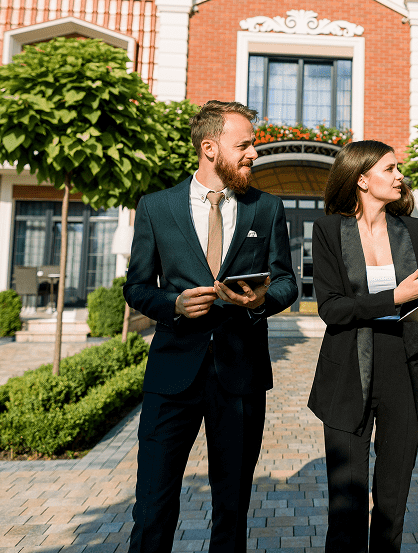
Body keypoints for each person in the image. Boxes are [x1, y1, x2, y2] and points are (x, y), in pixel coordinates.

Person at [123, 100, 298, 553]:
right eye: (244, 145)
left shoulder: (267, 208)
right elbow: (137, 287)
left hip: (241, 376)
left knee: (232, 509)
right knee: (152, 507)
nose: (254, 154)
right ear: (209, 148)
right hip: (172, 375)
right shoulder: (156, 207)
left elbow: (287, 282)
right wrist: (173, 304)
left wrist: (261, 300)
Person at [307, 140, 418, 553]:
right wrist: (394, 298)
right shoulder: (328, 230)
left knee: (392, 503)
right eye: (389, 169)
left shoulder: (413, 230)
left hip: (405, 369)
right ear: (361, 179)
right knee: (346, 508)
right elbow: (332, 308)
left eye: (397, 168)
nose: (399, 176)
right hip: (348, 373)